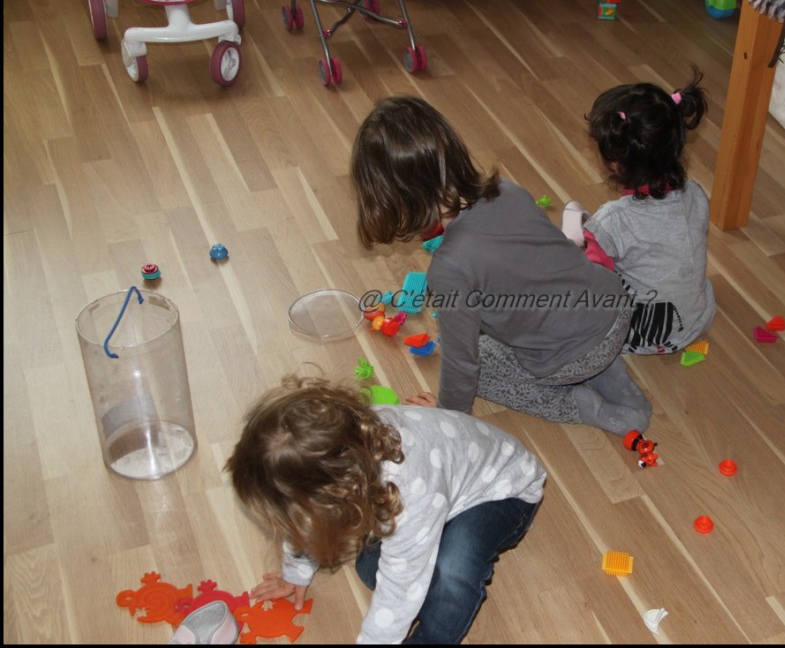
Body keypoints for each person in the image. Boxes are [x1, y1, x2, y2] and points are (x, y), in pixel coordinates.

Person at [352, 95, 653, 436]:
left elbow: (462, 363)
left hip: (570, 354)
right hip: (612, 310)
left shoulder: (450, 269)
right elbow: (540, 263)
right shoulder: (506, 189)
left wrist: (448, 417)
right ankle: (610, 376)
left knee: (482, 366)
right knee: (562, 328)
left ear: (397, 200)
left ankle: (589, 408)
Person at [226, 373, 547, 645]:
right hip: (438, 482)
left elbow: (401, 589)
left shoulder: (410, 489)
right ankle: (433, 541)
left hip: (502, 491)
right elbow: (304, 514)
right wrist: (296, 571)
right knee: (370, 571)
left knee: (451, 577)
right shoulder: (343, 438)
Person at [563, 73, 716, 355]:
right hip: (693, 316)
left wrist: (572, 246)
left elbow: (588, 281)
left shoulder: (614, 221)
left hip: (642, 332)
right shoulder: (695, 192)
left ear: (615, 164)